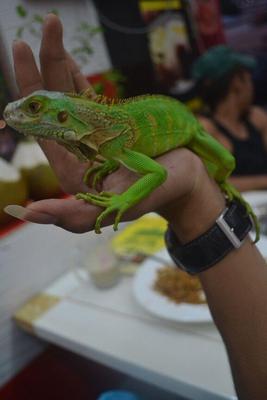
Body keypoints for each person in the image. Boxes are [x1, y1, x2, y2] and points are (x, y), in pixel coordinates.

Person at [5, 14, 267, 399]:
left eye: (35, 109)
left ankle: (225, 181)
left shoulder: (117, 135)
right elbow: (137, 162)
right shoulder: (110, 141)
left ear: (64, 115)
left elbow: (156, 174)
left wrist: (124, 197)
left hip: (186, 127)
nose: (25, 116)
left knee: (224, 164)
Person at [193, 45, 267, 192]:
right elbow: (215, 184)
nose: (251, 87)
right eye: (248, 79)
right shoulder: (206, 129)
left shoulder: (256, 117)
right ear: (236, 83)